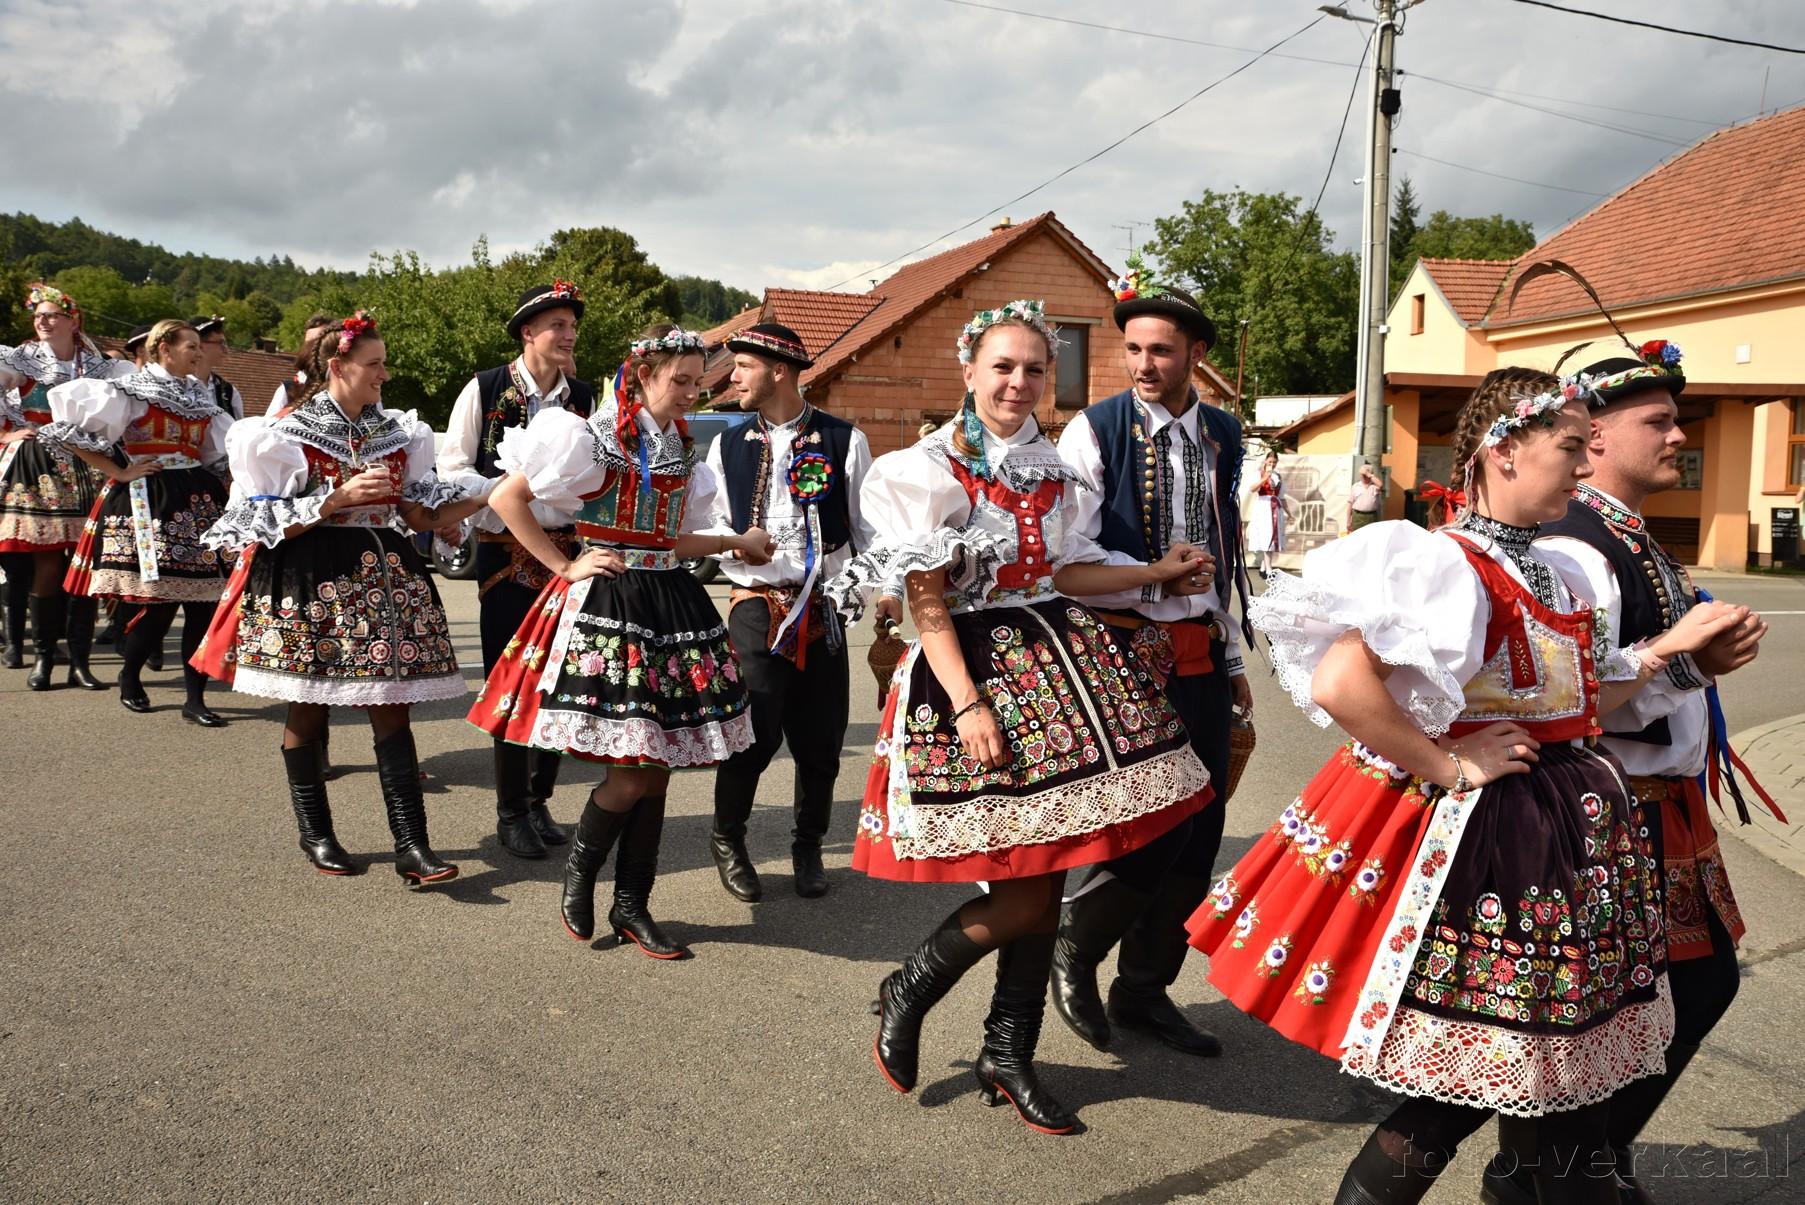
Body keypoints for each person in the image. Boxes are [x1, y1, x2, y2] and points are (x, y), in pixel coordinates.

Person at [1185, 366, 1746, 1204]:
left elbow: (1584, 698)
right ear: (1504, 450)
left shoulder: (1557, 570)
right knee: (1469, 1095)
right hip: (1499, 854)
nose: (1583, 465)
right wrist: (1448, 762)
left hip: (1565, 850)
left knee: (1548, 1089)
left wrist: (1680, 662)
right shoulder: (1446, 562)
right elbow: (1341, 683)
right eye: (1569, 446)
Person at [829, 300, 1213, 1136]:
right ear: (968, 370)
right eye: (1002, 366)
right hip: (971, 671)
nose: (1018, 382)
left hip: (1059, 663)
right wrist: (967, 702)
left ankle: (1008, 1050)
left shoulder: (1049, 464)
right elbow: (927, 598)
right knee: (1024, 887)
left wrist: (1151, 573)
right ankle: (913, 985)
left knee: (1046, 872)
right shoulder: (924, 468)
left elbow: (1066, 573)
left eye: (1034, 368)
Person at [1475, 342, 1770, 1204]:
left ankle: (1568, 1161)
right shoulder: (1578, 544)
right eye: (1658, 422)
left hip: (1659, 800)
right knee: (1635, 998)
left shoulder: (1623, 531)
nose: (1678, 435)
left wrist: (1698, 659)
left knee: (1677, 989)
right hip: (1613, 800)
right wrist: (1688, 660)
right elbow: (1578, 695)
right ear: (1595, 435)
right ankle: (1561, 1165)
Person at [469, 323, 771, 958]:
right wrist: (563, 564)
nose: (691, 393)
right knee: (631, 772)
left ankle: (633, 904)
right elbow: (507, 497)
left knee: (655, 772)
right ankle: (581, 873)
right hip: (612, 606)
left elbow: (670, 539)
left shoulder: (681, 448)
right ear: (642, 377)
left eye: (698, 383)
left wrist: (733, 542)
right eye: (680, 381)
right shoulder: (591, 436)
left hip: (669, 606)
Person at [197, 311, 486, 882]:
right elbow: (257, 524)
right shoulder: (281, 434)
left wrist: (481, 502)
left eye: (383, 364)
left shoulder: (399, 432)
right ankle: (317, 834)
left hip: (389, 580)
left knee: (392, 706)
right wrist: (335, 500)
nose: (384, 374)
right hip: (312, 578)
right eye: (374, 364)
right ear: (338, 366)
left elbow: (417, 511)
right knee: (309, 705)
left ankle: (413, 846)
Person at [1050, 259, 1254, 1060]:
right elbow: (1067, 558)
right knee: (1146, 826)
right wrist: (1153, 575)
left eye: (1160, 350)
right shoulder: (1094, 429)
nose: (1142, 364)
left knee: (1200, 831)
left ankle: (1142, 990)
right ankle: (1074, 947)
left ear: (1195, 354)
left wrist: (1231, 655)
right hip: (1123, 652)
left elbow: (1222, 549)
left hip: (1201, 648)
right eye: (1132, 349)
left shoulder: (1222, 433)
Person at [698, 321, 900, 902]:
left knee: (820, 739)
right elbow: (711, 524)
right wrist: (735, 545)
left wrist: (888, 587)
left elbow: (870, 528)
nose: (733, 378)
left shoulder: (843, 439)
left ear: (779, 370)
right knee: (753, 733)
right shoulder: (727, 444)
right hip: (755, 607)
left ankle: (807, 847)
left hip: (823, 606)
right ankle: (728, 839)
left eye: (743, 366)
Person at [438, 282, 596, 860]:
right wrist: (507, 494)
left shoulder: (584, 396)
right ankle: (511, 811)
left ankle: (538, 799)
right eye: (558, 325)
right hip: (505, 555)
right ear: (528, 333)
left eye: (572, 325)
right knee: (512, 679)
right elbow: (452, 468)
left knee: (561, 681)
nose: (569, 334)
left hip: (568, 553)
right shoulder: (485, 387)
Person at [39, 319, 233, 721]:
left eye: (199, 347)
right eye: (191, 346)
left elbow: (218, 455)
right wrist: (119, 471)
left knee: (204, 605)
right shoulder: (131, 389)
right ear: (164, 348)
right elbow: (68, 432)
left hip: (198, 502)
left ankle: (195, 699)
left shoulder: (202, 396)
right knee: (160, 604)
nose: (198, 353)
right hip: (151, 500)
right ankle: (130, 675)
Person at [0, 283, 130, 688]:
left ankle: (79, 661)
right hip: (39, 465)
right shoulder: (22, 360)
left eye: (51, 314)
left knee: (85, 563)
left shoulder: (100, 365)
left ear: (73, 321)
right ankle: (43, 659)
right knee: (47, 562)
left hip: (88, 466)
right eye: (38, 314)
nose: (42, 320)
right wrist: (5, 434)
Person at [269, 313, 334, 413]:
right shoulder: (288, 390)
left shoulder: (348, 387)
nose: (313, 348)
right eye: (309, 343)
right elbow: (271, 421)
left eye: (320, 341)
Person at [1245, 449, 1289, 575]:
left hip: (1275, 507)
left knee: (1273, 536)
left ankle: (1264, 568)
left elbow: (1282, 497)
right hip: (1263, 507)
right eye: (1270, 462)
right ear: (1265, 461)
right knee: (1267, 535)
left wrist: (1289, 513)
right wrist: (1264, 478)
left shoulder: (1277, 476)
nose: (1272, 464)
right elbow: (1252, 489)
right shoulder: (1259, 474)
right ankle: (1269, 569)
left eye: (1274, 462)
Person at [191, 315, 245, 420]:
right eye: (220, 343)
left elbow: (238, 428)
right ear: (200, 345)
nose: (226, 350)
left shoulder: (229, 391)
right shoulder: (175, 386)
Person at [1347, 460, 1383, 532]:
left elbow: (1381, 485)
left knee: (1370, 536)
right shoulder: (1356, 486)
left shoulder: (1374, 486)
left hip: (1371, 517)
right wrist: (1348, 521)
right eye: (1361, 474)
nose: (1363, 476)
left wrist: (1369, 474)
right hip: (1358, 516)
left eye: (1364, 475)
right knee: (1357, 536)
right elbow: (1350, 504)